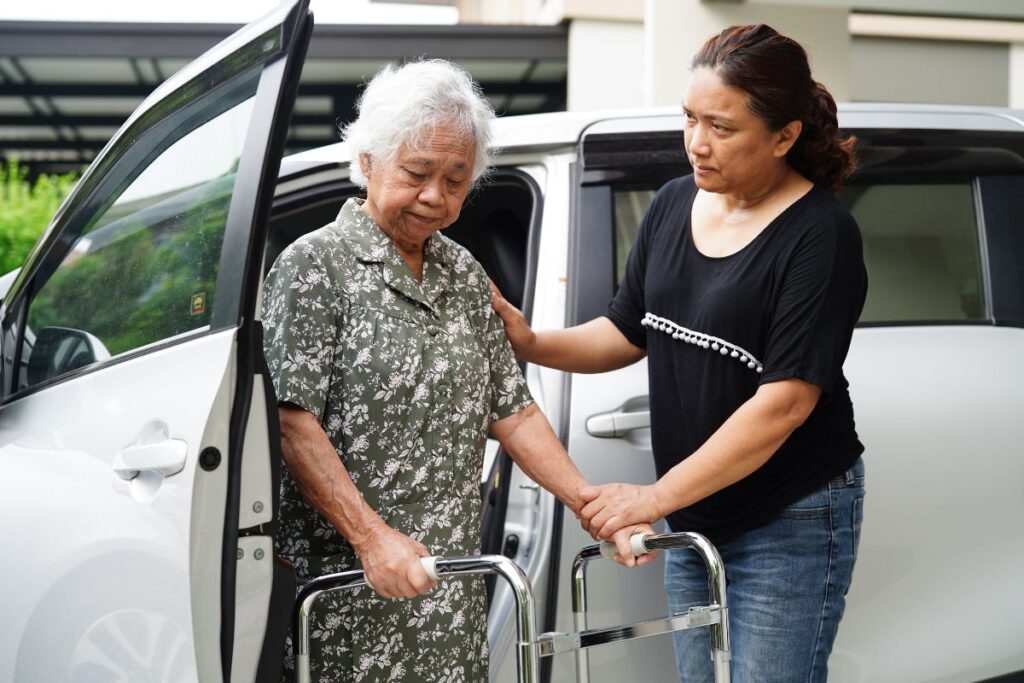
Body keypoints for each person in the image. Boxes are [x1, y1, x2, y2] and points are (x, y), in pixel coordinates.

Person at [490, 24, 867, 683]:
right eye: (689, 119)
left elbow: (784, 404)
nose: (696, 142)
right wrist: (530, 340)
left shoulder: (820, 235)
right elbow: (625, 330)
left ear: (784, 137)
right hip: (698, 510)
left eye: (720, 127)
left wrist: (651, 497)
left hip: (790, 517)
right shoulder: (671, 204)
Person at [261, 60, 590, 683]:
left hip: (449, 586)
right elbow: (291, 422)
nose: (436, 196)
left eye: (456, 180)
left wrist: (586, 498)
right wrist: (371, 538)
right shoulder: (315, 268)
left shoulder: (463, 272)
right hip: (351, 588)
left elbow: (512, 411)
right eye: (417, 173)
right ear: (367, 161)